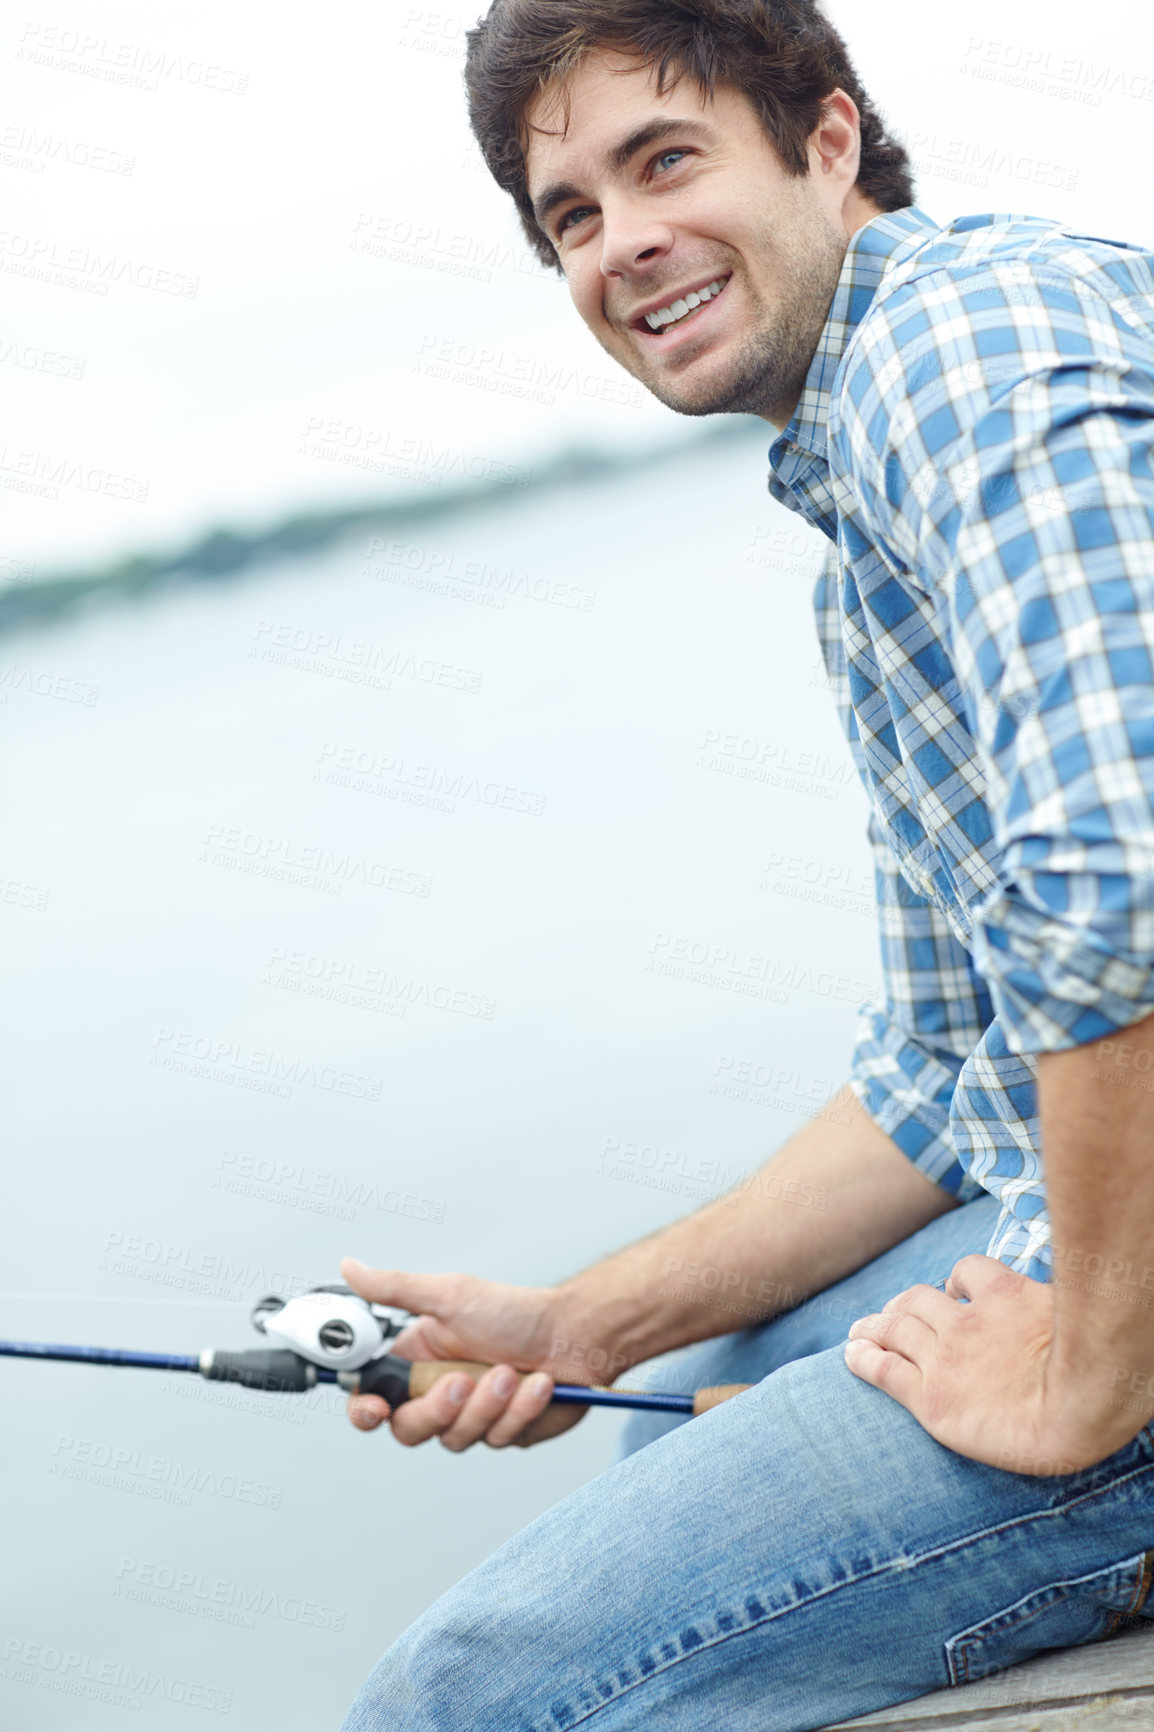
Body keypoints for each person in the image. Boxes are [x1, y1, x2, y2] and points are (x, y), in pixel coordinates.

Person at [340, 3, 1154, 1726]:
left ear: (830, 142)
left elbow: (1121, 895)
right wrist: (581, 1326)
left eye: (665, 160)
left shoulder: (964, 365)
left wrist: (1085, 1377)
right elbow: (955, 1072)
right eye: (570, 213)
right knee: (715, 1372)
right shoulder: (867, 487)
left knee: (462, 1699)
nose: (623, 242)